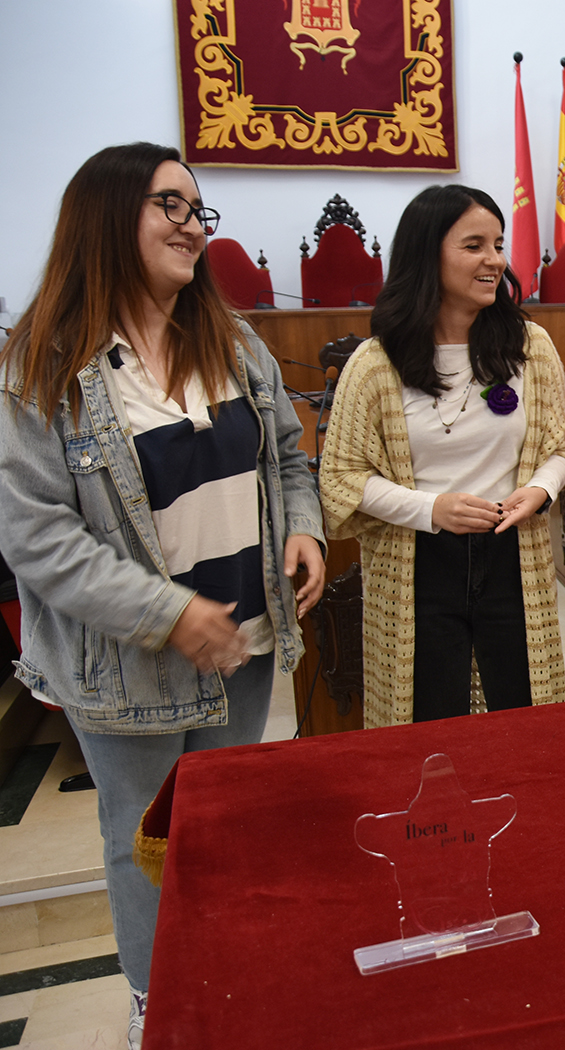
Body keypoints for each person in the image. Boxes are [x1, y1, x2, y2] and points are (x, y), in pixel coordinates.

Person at [0, 142, 325, 1048]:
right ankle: (161, 1003)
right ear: (107, 218)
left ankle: (225, 975)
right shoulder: (41, 369)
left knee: (224, 827)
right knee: (144, 841)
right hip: (127, 664)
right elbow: (36, 538)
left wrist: (302, 527)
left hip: (243, 640)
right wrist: (168, 613)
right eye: (169, 206)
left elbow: (287, 457)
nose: (193, 226)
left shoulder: (232, 339)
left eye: (197, 209)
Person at [318, 185, 565, 725]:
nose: (495, 260)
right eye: (474, 246)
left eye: (498, 245)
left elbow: (561, 447)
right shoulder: (376, 362)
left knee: (524, 713)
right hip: (417, 559)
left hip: (513, 554)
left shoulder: (530, 347)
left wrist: (541, 488)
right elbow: (342, 477)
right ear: (426, 254)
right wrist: (431, 509)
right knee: (429, 722)